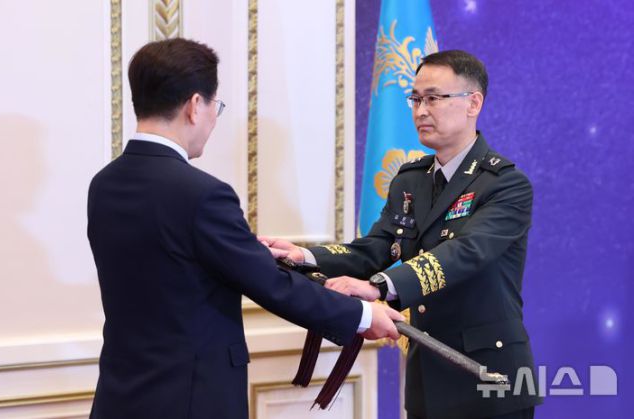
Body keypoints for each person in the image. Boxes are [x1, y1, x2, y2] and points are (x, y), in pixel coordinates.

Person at [86, 38, 403, 419]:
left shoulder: (104, 184)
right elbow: (270, 285)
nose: (213, 118)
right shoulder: (202, 194)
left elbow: (172, 265)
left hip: (121, 395)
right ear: (194, 105)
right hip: (191, 400)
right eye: (215, 106)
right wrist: (363, 316)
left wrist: (244, 253)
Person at [261, 50, 543, 419]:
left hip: (487, 377)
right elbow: (377, 247)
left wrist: (379, 286)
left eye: (433, 98)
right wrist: (305, 256)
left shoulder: (505, 184)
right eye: (415, 99)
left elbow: (465, 252)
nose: (421, 110)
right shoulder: (411, 180)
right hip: (428, 376)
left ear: (473, 103)